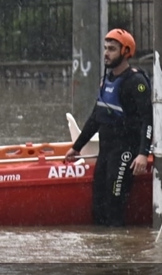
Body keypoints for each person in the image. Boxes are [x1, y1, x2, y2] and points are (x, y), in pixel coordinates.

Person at [65, 29, 152, 227]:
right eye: (105, 48)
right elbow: (96, 118)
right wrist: (77, 146)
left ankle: (119, 250)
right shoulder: (107, 81)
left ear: (126, 51)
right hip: (106, 151)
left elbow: (148, 119)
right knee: (98, 205)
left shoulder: (136, 82)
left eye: (112, 49)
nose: (106, 53)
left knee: (115, 204)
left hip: (125, 152)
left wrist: (143, 154)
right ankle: (103, 252)